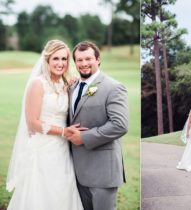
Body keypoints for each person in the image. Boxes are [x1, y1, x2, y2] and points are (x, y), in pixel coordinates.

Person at [6, 40, 84, 210]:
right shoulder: (37, 84)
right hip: (43, 148)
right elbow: (32, 123)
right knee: (42, 192)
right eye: (56, 59)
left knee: (64, 190)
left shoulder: (66, 84)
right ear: (47, 60)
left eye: (64, 59)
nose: (60, 63)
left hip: (63, 150)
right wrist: (64, 131)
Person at [65, 41, 129, 210]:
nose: (84, 64)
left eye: (88, 59)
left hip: (102, 171)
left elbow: (120, 125)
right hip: (77, 171)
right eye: (79, 60)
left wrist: (84, 137)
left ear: (98, 60)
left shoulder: (113, 87)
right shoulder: (72, 87)